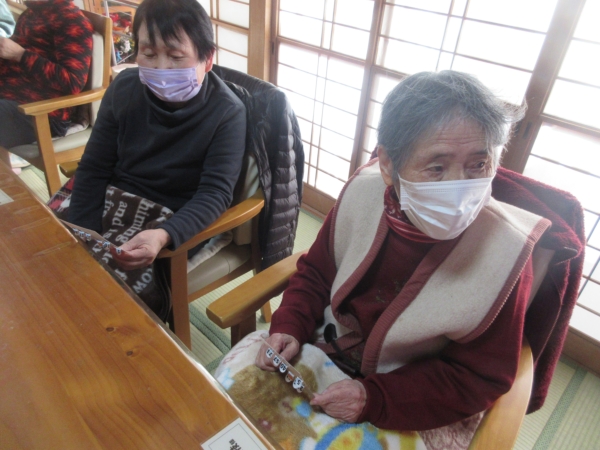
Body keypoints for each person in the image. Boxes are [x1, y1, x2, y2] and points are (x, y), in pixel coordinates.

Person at [254, 71, 552, 432]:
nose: (460, 189)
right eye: (436, 167)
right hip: (321, 344)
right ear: (387, 165)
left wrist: (374, 398)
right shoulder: (362, 193)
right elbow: (317, 272)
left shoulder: (507, 253)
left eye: (478, 164)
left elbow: (479, 375)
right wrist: (289, 325)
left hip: (411, 396)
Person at [68, 0, 246, 316]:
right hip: (114, 198)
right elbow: (94, 166)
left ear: (207, 59)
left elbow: (216, 194)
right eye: (149, 54)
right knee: (54, 257)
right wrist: (83, 233)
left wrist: (164, 235)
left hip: (173, 214)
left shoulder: (227, 113)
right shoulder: (124, 88)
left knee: (110, 305)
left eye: (176, 57)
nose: (161, 69)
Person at [0, 0, 93, 149]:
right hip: (11, 97)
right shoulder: (31, 13)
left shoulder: (72, 21)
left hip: (42, 114)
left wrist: (21, 55)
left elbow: (73, 82)